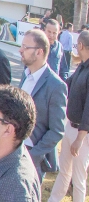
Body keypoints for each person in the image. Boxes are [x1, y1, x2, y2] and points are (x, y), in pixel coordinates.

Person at [39, 30, 89, 202]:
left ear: (82, 46)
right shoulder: (82, 67)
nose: (76, 49)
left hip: (82, 133)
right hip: (71, 125)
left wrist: (80, 137)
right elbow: (66, 85)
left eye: (78, 45)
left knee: (78, 179)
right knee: (63, 170)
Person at [18, 29, 67, 185]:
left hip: (32, 158)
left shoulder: (56, 86)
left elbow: (57, 130)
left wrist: (34, 155)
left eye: (26, 47)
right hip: (14, 149)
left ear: (39, 52)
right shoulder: (26, 75)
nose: (21, 50)